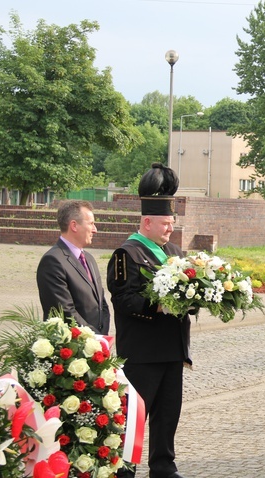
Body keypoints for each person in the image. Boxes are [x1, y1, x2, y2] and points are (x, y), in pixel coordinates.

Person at [107, 163, 190, 478]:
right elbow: (124, 300)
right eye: (166, 223)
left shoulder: (174, 251)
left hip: (172, 348)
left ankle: (163, 466)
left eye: (172, 222)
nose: (170, 229)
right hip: (142, 351)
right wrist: (158, 307)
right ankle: (124, 467)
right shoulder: (126, 254)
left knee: (168, 414)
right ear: (147, 221)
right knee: (134, 417)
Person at [37, 200, 110, 333]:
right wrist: (95, 336)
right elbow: (65, 312)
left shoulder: (89, 259)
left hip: (96, 343)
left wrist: (103, 334)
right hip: (73, 346)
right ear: (74, 226)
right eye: (91, 224)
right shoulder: (53, 261)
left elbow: (101, 303)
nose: (95, 230)